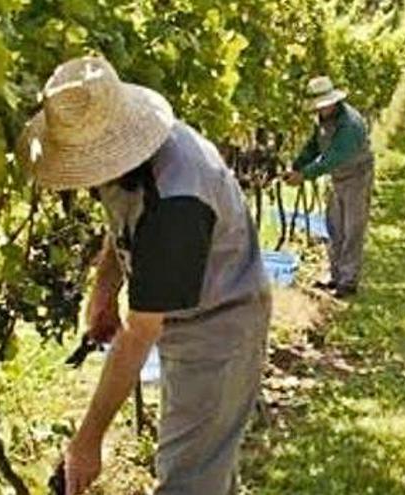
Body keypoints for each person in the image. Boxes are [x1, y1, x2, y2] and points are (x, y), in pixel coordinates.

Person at [17, 56, 270, 495]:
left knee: (188, 481)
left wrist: (87, 441)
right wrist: (103, 291)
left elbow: (139, 334)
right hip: (190, 318)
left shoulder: (178, 202)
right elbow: (126, 227)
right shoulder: (130, 158)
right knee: (202, 466)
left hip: (220, 330)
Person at [284, 76, 375, 299]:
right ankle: (335, 275)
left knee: (352, 229)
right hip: (338, 178)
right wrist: (296, 165)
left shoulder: (350, 125)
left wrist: (303, 175)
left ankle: (348, 281)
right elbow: (314, 146)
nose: (322, 109)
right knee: (334, 226)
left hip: (356, 177)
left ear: (334, 101)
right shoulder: (323, 119)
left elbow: (332, 159)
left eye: (325, 105)